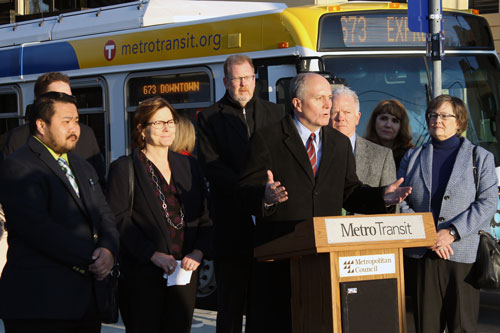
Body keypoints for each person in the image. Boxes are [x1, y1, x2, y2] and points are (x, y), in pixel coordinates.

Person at [238, 72, 412, 332]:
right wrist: (265, 195)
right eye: (319, 98)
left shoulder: (339, 143)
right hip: (280, 259)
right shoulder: (268, 139)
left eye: (329, 98)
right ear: (297, 104)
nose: (328, 105)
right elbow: (244, 191)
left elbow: (350, 192)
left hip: (323, 261)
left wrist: (381, 197)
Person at [0, 92, 119, 333]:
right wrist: (94, 257)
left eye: (76, 121)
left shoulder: (81, 165)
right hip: (41, 305)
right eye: (66, 121)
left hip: (85, 303)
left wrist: (108, 249)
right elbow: (38, 228)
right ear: (41, 125)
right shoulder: (19, 165)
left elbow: (104, 214)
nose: (75, 128)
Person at [106, 97, 213, 333]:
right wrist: (152, 255)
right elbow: (118, 221)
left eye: (171, 121)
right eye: (158, 123)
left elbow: (205, 216)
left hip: (184, 275)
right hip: (143, 277)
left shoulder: (188, 165)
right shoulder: (125, 168)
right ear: (141, 130)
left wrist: (198, 252)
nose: (167, 128)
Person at [197, 54, 285, 333]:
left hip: (272, 223)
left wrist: (270, 191)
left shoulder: (277, 114)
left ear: (255, 79)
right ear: (225, 81)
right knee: (231, 304)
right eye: (236, 78)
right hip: (231, 222)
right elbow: (212, 166)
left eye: (247, 77)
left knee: (268, 302)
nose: (243, 84)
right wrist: (252, 192)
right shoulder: (209, 118)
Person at [398, 95, 498, 333]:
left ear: (459, 121)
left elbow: (487, 202)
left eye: (445, 115)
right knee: (426, 326)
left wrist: (452, 232)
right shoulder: (412, 157)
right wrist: (429, 234)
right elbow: (399, 201)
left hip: (462, 254)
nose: (437, 120)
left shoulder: (480, 157)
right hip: (423, 253)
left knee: (462, 325)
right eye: (433, 115)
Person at [2, 72, 106, 185]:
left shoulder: (86, 135)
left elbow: (99, 182)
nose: (67, 103)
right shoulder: (18, 139)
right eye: (59, 97)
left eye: (69, 97)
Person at [330, 86, 396, 187]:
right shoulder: (315, 151)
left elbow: (390, 199)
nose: (340, 118)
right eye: (334, 112)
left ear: (357, 117)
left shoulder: (382, 156)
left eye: (347, 112)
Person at [365, 99, 414, 169]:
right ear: (374, 122)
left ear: (402, 126)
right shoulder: (360, 150)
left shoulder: (411, 155)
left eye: (395, 121)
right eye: (384, 118)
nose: (388, 125)